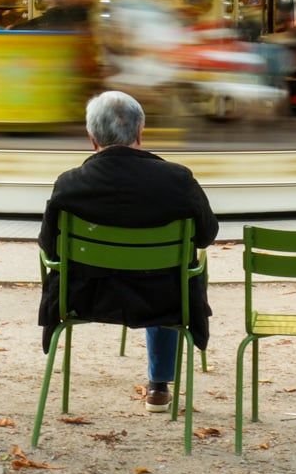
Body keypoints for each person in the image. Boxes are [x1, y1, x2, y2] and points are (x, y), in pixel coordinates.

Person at [38, 90, 218, 413]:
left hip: (86, 297)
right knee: (173, 273)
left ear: (92, 138)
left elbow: (49, 248)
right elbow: (206, 236)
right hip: (162, 299)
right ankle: (160, 385)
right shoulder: (178, 181)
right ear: (140, 133)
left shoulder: (69, 185)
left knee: (157, 274)